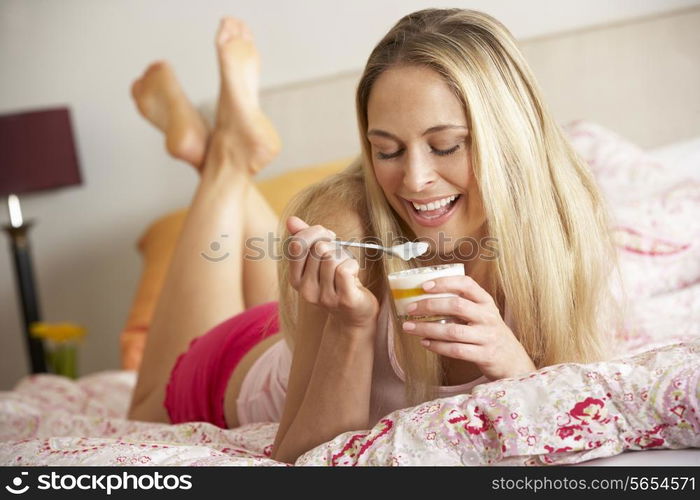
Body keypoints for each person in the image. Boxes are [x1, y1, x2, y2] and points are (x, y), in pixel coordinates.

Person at [127, 9, 624, 464]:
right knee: (142, 406)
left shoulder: (565, 237)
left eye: (446, 146)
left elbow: (578, 426)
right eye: (387, 152)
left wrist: (512, 362)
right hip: (227, 368)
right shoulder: (350, 226)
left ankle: (218, 150)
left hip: (290, 331)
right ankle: (225, 163)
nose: (413, 180)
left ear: (509, 139)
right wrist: (351, 325)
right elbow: (299, 458)